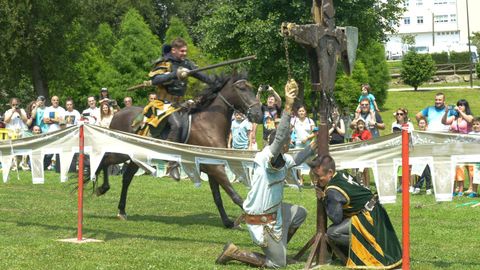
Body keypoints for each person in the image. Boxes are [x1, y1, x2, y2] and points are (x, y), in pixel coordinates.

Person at [216, 79, 315, 268]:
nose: (290, 142)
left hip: (275, 212)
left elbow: (297, 159)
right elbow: (280, 135)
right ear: (279, 143)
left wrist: (313, 145)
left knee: (299, 213)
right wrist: (288, 104)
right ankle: (235, 253)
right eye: (288, 140)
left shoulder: (282, 159)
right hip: (262, 220)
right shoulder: (267, 158)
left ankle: (280, 248)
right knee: (278, 264)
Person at [309, 155, 402, 269]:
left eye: (318, 176)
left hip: (367, 217)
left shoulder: (332, 190)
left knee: (333, 232)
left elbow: (336, 218)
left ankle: (366, 249)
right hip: (376, 210)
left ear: (330, 172)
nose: (317, 180)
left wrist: (324, 199)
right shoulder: (342, 173)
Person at [141, 37, 213, 180]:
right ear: (174, 50)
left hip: (180, 104)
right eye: (182, 51)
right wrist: (175, 74)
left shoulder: (187, 63)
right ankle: (172, 164)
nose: (184, 53)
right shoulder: (164, 63)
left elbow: (201, 75)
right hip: (163, 104)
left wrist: (217, 82)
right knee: (177, 125)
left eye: (185, 51)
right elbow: (155, 80)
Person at [442, 99, 474, 196]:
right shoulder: (454, 118)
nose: (459, 106)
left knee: (470, 166)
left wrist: (459, 111)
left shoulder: (468, 116)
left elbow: (470, 121)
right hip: (457, 145)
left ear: (466, 107)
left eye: (461, 105)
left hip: (468, 145)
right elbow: (444, 122)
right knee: (458, 166)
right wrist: (446, 112)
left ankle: (471, 187)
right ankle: (459, 187)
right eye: (458, 105)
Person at [411, 117, 433, 195]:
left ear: (426, 124)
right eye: (420, 123)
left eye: (423, 123)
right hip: (418, 155)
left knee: (427, 172)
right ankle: (418, 187)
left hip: (427, 155)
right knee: (419, 171)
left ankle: (428, 188)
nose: (422, 125)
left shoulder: (428, 134)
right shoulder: (415, 134)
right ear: (418, 125)